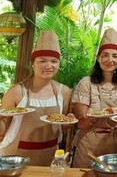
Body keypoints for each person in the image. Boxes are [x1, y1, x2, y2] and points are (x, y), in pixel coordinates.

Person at [0, 30, 72, 166]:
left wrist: (68, 123)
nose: (49, 66)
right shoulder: (16, 92)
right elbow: (2, 129)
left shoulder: (64, 92)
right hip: (15, 159)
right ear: (32, 63)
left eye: (54, 61)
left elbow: (61, 127)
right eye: (42, 61)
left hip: (50, 159)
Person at [71, 28, 117, 168]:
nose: (110, 60)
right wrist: (92, 116)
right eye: (105, 55)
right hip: (89, 144)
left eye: (115, 56)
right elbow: (81, 124)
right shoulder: (86, 83)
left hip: (116, 142)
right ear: (98, 58)